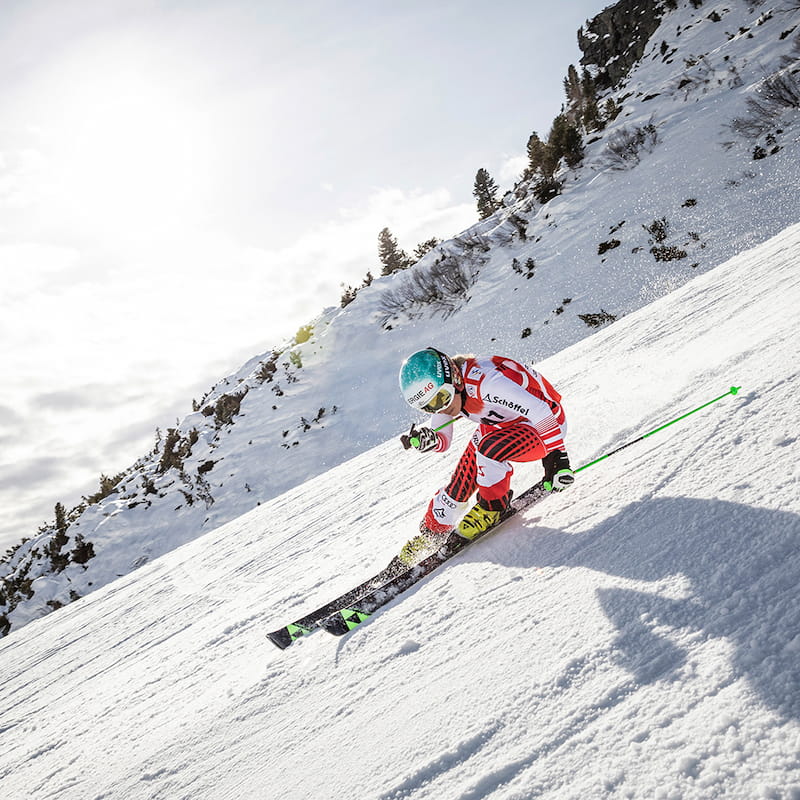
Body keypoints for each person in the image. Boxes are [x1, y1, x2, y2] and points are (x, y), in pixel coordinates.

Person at [397, 347, 573, 564]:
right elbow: (443, 440)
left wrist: (557, 458)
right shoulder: (450, 394)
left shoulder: (486, 383)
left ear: (455, 379)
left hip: (544, 428)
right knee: (460, 483)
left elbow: (539, 410)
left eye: (442, 398)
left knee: (488, 449)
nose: (441, 408)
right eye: (429, 407)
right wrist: (429, 440)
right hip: (503, 426)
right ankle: (432, 534)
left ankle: (492, 508)